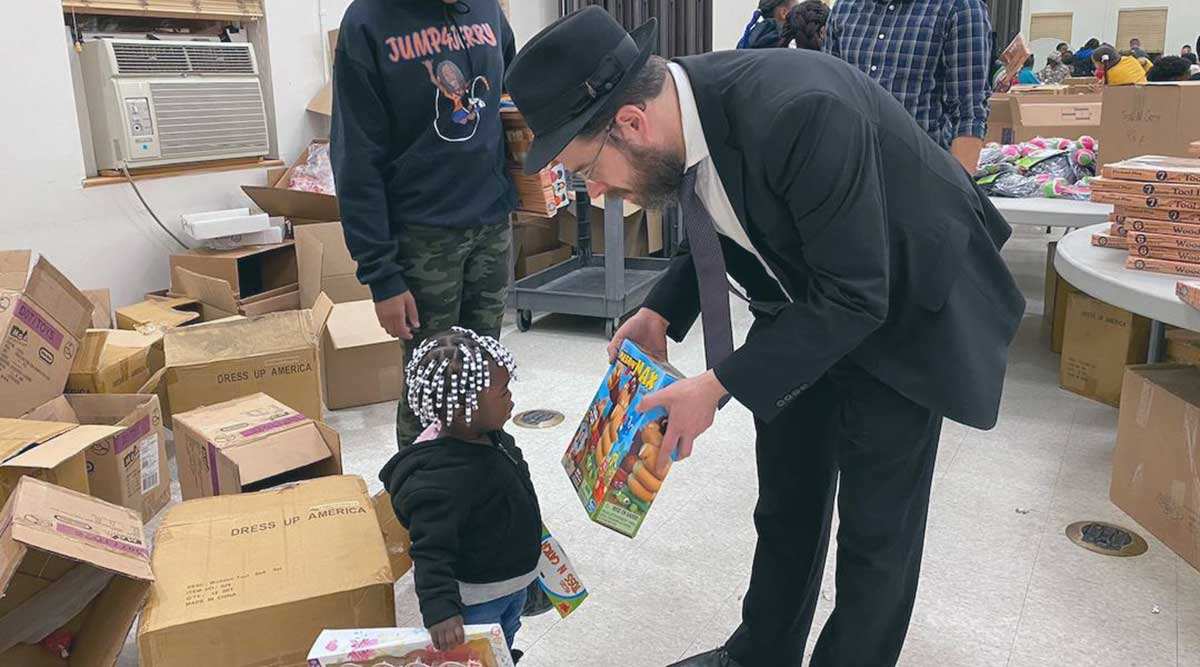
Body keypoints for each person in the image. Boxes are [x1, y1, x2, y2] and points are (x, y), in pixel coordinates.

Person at [506, 8, 1025, 667]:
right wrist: (662, 310)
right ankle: (761, 652)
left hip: (904, 304)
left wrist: (717, 385)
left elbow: (858, 294)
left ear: (630, 124)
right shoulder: (684, 113)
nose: (600, 191)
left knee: (876, 534)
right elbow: (725, 214)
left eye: (589, 170)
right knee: (788, 496)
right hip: (804, 294)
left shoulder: (800, 112)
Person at [330, 0, 518, 450]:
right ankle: (422, 498)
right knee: (432, 382)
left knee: (485, 375)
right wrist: (382, 275)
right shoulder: (367, 22)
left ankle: (483, 481)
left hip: (491, 221)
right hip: (421, 236)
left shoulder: (486, 10)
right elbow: (355, 159)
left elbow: (515, 87)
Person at [380, 327, 538, 661]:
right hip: (480, 600)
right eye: (503, 391)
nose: (511, 397)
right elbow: (430, 552)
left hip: (512, 585)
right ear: (465, 406)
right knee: (475, 657)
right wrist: (440, 611)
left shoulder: (494, 437)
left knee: (504, 642)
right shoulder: (440, 481)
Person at [825, 0, 992, 173]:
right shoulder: (844, 8)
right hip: (849, 172)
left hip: (919, 176)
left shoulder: (959, 7)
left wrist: (958, 195)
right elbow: (829, 100)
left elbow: (968, 112)